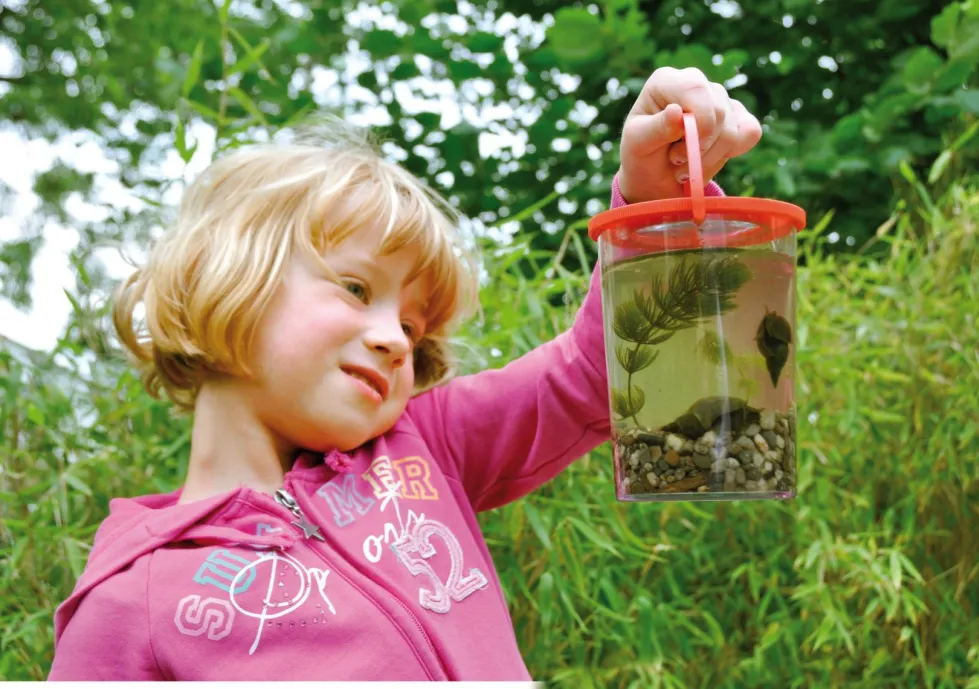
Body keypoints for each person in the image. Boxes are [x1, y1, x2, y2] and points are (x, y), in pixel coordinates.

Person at [47, 67, 762, 681]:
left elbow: (594, 373)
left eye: (414, 327)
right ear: (225, 278)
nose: (393, 338)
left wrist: (652, 204)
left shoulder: (424, 445)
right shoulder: (128, 607)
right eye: (356, 289)